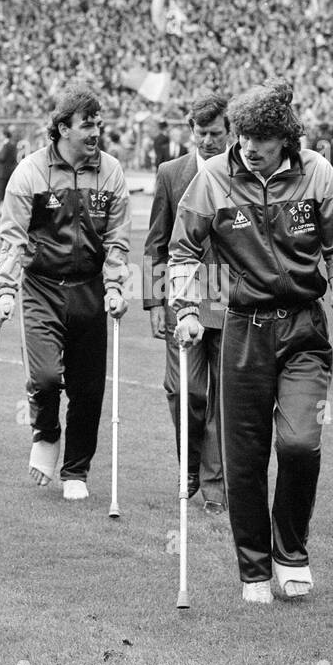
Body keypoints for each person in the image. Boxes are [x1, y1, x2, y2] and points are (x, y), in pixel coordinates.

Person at [168, 81, 333, 605]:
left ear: (286, 137)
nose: (250, 147)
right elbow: (183, 250)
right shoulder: (212, 178)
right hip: (242, 329)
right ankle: (253, 567)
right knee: (245, 458)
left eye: (263, 137)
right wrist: (187, 310)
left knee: (301, 443)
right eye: (244, 135)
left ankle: (291, 555)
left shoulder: (318, 172)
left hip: (304, 328)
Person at [0, 84, 130, 500]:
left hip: (88, 289)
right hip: (42, 288)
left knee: (89, 388)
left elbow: (118, 240)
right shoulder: (30, 172)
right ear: (62, 129)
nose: (95, 132)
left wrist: (116, 287)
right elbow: (13, 240)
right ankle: (46, 433)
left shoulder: (111, 172)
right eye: (87, 125)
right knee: (46, 376)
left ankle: (76, 471)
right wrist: (4, 291)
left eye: (98, 124)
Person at [143, 94, 230, 515]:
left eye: (217, 133)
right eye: (202, 133)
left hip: (234, 299)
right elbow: (156, 242)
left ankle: (214, 484)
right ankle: (189, 465)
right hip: (183, 297)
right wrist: (155, 303)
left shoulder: (243, 173)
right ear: (190, 131)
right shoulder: (171, 173)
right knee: (185, 390)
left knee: (225, 398)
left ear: (230, 132)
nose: (210, 140)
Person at [0, 125, 18, 217]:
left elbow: (2, 158)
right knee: (7, 193)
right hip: (10, 172)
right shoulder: (12, 145)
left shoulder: (6, 145)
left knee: (0, 192)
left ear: (4, 135)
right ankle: (6, 211)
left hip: (3, 172)